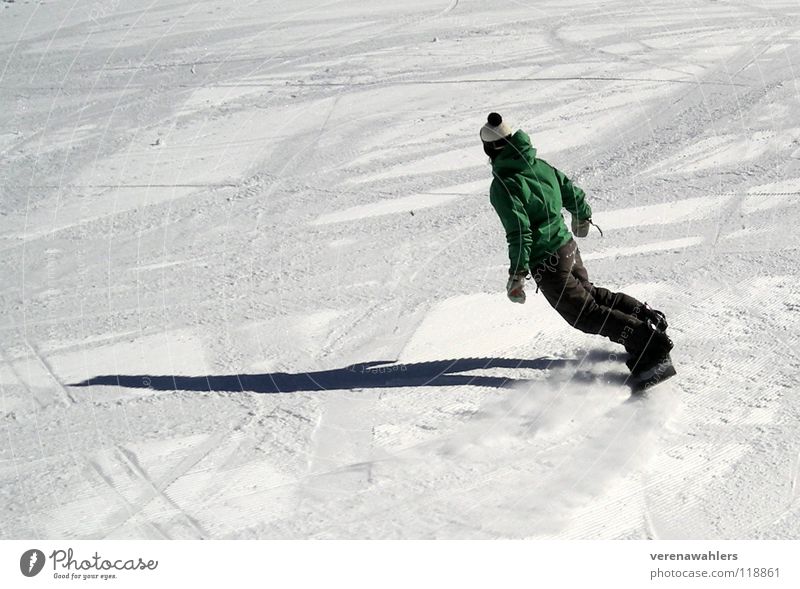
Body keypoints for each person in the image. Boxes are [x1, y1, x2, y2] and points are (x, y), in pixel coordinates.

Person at [480, 112, 674, 386]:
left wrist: (517, 275)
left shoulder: (504, 184)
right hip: (566, 247)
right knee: (591, 296)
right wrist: (581, 216)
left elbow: (520, 233)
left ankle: (650, 346)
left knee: (584, 315)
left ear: (489, 149)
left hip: (547, 260)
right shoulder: (539, 165)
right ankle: (644, 318)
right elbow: (570, 190)